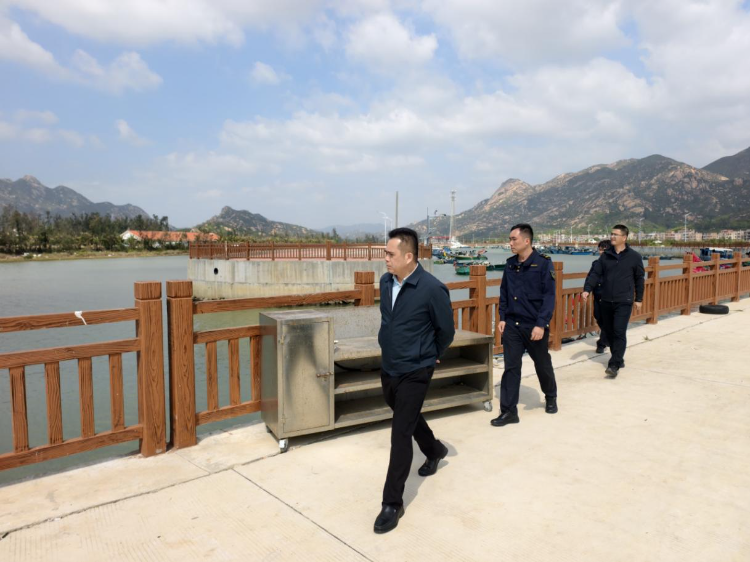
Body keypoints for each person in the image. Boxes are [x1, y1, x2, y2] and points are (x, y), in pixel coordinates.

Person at [374, 227, 455, 534]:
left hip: (416, 369)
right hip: (390, 365)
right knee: (404, 416)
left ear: (409, 256)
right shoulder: (386, 282)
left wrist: (432, 354)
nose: (385, 259)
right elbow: (388, 320)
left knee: (400, 434)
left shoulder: (432, 288)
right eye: (385, 253)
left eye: (390, 254)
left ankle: (392, 503)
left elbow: (446, 330)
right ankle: (434, 450)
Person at [491, 223, 558, 427]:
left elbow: (549, 297)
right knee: (511, 367)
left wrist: (541, 324)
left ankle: (550, 396)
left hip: (534, 325)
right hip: (512, 325)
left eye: (514, 239)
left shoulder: (543, 263)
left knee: (542, 363)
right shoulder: (510, 264)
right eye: (510, 239)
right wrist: (502, 317)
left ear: (527, 241)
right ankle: (509, 412)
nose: (510, 243)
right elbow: (504, 292)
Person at [582, 224, 644, 378]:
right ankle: (619, 358)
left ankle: (614, 364)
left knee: (619, 331)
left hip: (624, 300)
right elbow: (595, 274)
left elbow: (639, 279)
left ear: (624, 237)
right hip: (606, 300)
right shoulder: (606, 256)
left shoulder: (634, 257)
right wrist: (587, 289)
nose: (612, 237)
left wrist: (639, 299)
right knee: (609, 331)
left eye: (616, 234)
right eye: (611, 234)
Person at [589, 239, 612, 353]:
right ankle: (608, 337)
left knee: (608, 319)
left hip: (609, 296)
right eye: (600, 249)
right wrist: (586, 290)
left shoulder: (614, 263)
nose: (601, 252)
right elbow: (590, 277)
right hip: (597, 295)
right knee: (598, 316)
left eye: (604, 249)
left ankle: (601, 343)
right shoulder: (595, 263)